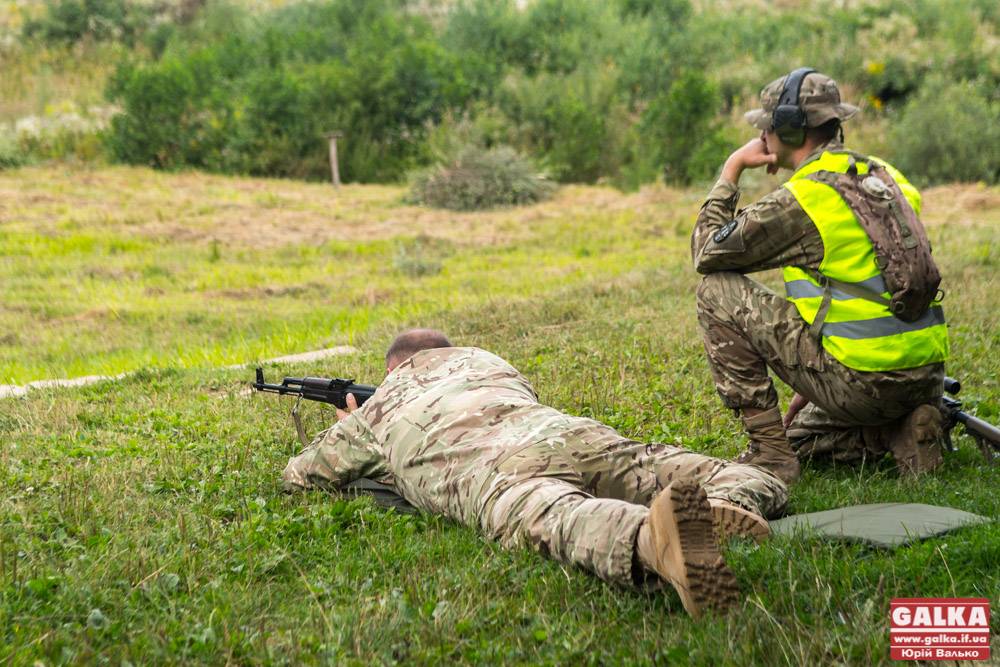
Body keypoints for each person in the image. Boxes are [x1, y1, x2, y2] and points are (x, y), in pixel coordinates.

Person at [283, 329, 789, 617]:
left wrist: (356, 427)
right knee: (683, 466)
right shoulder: (486, 360)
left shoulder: (380, 407)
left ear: (391, 371)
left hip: (494, 471)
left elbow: (302, 474)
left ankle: (652, 539)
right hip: (565, 434)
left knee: (559, 516)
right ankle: (732, 501)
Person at [690, 68, 949, 484]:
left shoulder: (807, 199)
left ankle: (769, 455)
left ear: (790, 130)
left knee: (715, 291)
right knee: (803, 438)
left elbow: (706, 252)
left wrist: (732, 170)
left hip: (865, 383)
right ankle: (900, 432)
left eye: (767, 128)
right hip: (926, 377)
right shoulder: (885, 175)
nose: (763, 138)